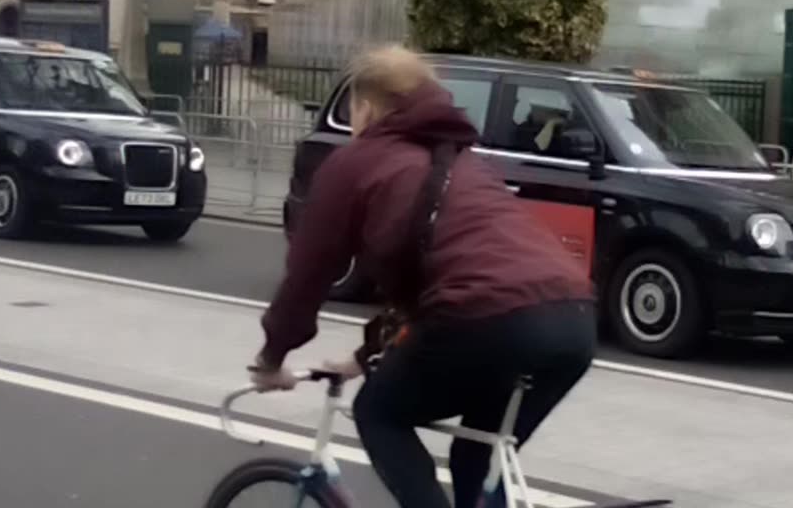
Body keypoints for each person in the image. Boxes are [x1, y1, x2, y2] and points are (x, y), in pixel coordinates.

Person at [249, 45, 597, 508]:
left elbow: (308, 276)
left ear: (367, 107)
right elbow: (431, 274)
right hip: (575, 318)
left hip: (488, 319)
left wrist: (273, 358)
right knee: (476, 450)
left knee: (378, 412)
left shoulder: (356, 162)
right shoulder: (459, 159)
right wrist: (366, 354)